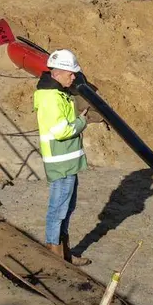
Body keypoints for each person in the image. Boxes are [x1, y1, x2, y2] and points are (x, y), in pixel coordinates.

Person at [34, 49, 94, 266]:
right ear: (59, 72)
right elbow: (61, 131)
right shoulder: (51, 98)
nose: (74, 77)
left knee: (67, 206)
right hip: (60, 162)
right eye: (71, 74)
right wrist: (81, 122)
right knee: (58, 208)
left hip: (67, 161)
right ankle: (55, 255)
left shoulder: (59, 93)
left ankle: (64, 252)